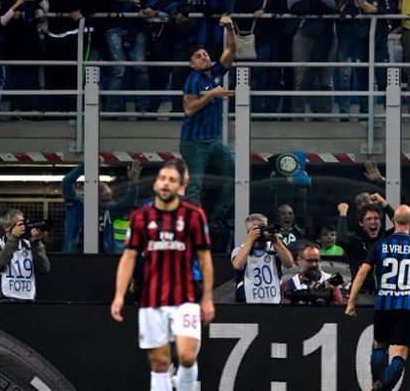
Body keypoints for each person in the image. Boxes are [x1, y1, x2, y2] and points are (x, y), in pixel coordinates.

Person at [110, 161, 215, 391]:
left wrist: (207, 297)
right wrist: (119, 294)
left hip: (187, 288)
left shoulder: (194, 213)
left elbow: (205, 257)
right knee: (159, 361)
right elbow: (129, 257)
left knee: (187, 355)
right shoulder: (143, 215)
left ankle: (185, 380)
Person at [346, 204, 410, 391]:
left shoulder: (380, 245)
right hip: (407, 305)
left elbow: (362, 272)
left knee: (380, 347)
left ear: (393, 221)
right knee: (399, 355)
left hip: (384, 303)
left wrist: (351, 301)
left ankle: (377, 381)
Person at [180, 15, 236, 250]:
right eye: (198, 56)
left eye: (205, 54)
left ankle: (217, 218)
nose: (204, 57)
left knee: (238, 174)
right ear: (192, 64)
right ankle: (193, 227)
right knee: (195, 185)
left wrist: (230, 28)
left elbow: (231, 50)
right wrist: (212, 94)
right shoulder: (193, 80)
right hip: (194, 142)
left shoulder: (214, 73)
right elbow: (189, 109)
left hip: (213, 142)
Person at [287, 0, 341, 116]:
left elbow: (337, 5)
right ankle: (298, 118)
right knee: (300, 78)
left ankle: (325, 118)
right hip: (303, 30)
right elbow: (290, 4)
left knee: (326, 78)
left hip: (327, 32)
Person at [335, 0, 392, 116]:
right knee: (363, 82)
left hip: (379, 46)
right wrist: (354, 9)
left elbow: (392, 12)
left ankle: (391, 114)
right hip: (359, 46)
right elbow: (344, 16)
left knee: (383, 81)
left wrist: (375, 10)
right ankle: (365, 114)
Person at [107, 0, 156, 114]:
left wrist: (152, 7)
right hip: (116, 26)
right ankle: (113, 110)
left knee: (141, 68)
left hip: (137, 27)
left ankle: (144, 108)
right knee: (119, 69)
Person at [61, 161, 141, 254]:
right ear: (93, 199)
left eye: (109, 200)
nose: (107, 204)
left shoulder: (109, 211)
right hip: (75, 256)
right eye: (103, 201)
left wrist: (133, 181)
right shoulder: (78, 205)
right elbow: (66, 183)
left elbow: (128, 204)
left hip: (102, 258)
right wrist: (86, 164)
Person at [231, 213, 294, 304]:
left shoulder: (274, 247)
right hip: (247, 306)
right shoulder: (240, 250)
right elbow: (237, 265)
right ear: (249, 231)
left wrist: (275, 240)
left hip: (273, 304)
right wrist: (250, 240)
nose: (261, 231)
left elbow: (289, 263)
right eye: (257, 228)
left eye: (264, 226)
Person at [0, 209, 50, 302]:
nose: (24, 227)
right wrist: (14, 237)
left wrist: (36, 243)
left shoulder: (29, 245)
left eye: (24, 223)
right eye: (19, 224)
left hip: (27, 301)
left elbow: (45, 268)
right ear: (6, 227)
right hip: (4, 301)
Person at [338, 199, 391, 304]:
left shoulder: (386, 239)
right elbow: (340, 239)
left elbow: (402, 224)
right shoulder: (355, 240)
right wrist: (343, 213)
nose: (373, 222)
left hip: (385, 295)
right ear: (361, 223)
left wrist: (384, 204)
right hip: (362, 295)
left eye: (376, 218)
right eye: (369, 219)